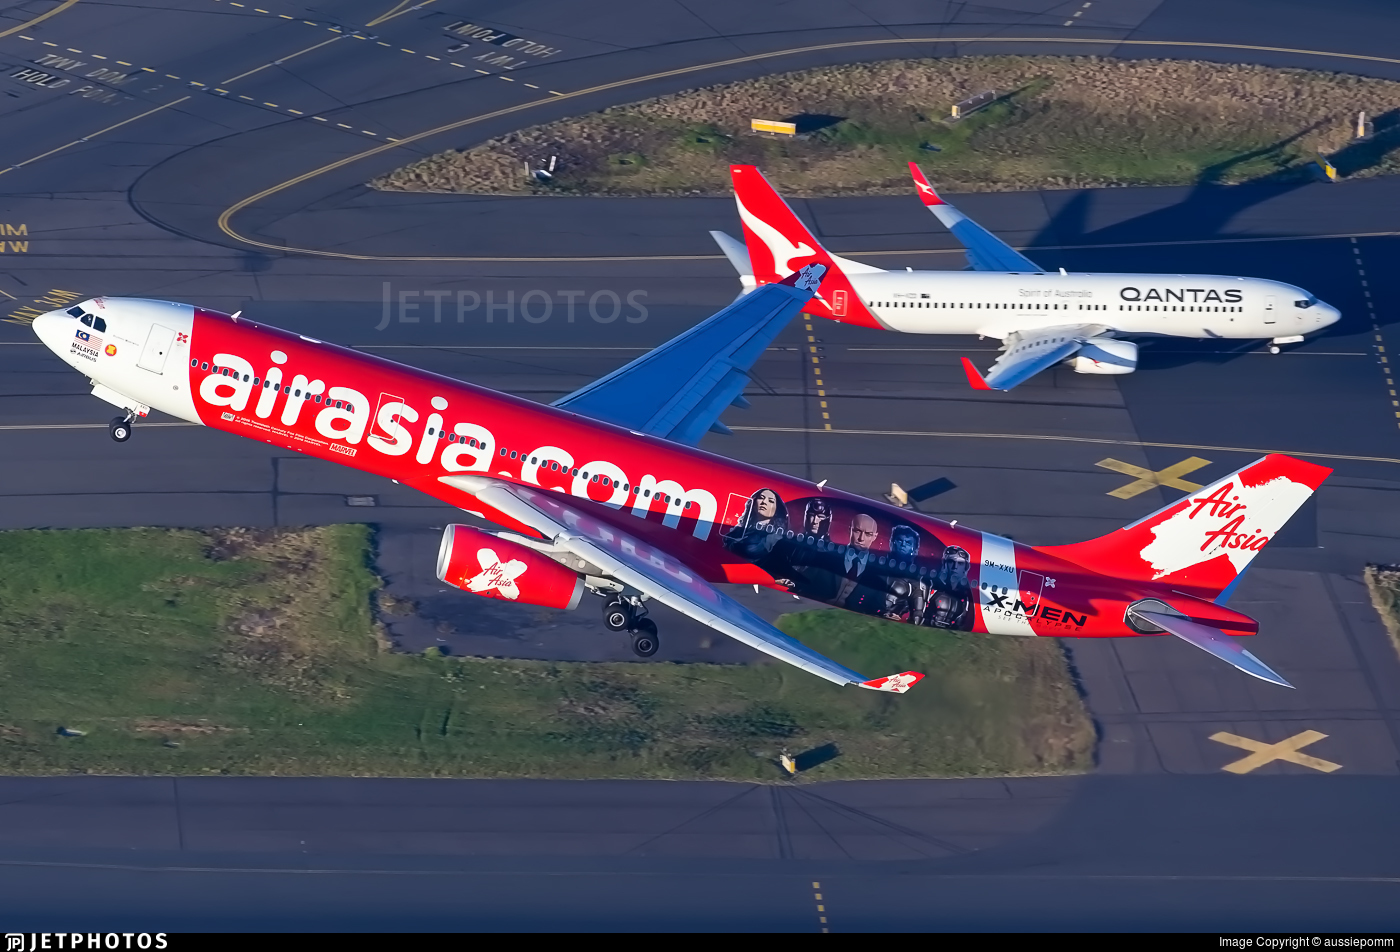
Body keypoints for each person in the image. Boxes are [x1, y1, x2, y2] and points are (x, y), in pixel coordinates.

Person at [721, 487, 793, 579]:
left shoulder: (775, 538)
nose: (764, 502)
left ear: (776, 510)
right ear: (753, 504)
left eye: (770, 501)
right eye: (761, 498)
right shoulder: (740, 530)